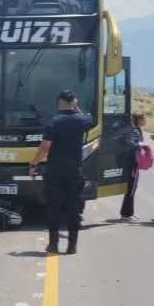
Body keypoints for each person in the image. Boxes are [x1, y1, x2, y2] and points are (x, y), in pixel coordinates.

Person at [29, 90, 92, 255]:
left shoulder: (54, 122)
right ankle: (72, 246)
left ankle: (53, 244)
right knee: (73, 208)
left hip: (55, 169)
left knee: (54, 207)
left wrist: (34, 163)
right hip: (74, 170)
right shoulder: (82, 120)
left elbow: (45, 147)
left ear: (59, 103)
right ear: (74, 103)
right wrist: (75, 107)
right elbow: (86, 117)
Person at [119, 113, 148, 222]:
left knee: (132, 188)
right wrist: (141, 145)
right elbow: (130, 143)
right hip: (133, 163)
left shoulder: (134, 129)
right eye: (143, 119)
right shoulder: (135, 130)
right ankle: (126, 214)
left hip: (131, 162)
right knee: (131, 189)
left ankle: (129, 212)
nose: (145, 121)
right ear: (139, 119)